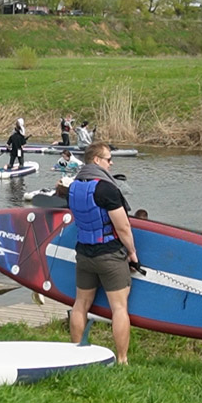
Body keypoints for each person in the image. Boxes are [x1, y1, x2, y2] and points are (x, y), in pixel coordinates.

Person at [67, 142, 139, 365]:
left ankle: (76, 355)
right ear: (97, 160)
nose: (111, 163)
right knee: (119, 308)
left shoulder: (73, 186)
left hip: (84, 254)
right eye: (108, 159)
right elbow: (123, 227)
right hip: (109, 254)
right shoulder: (106, 188)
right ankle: (122, 359)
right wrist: (133, 253)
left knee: (80, 304)